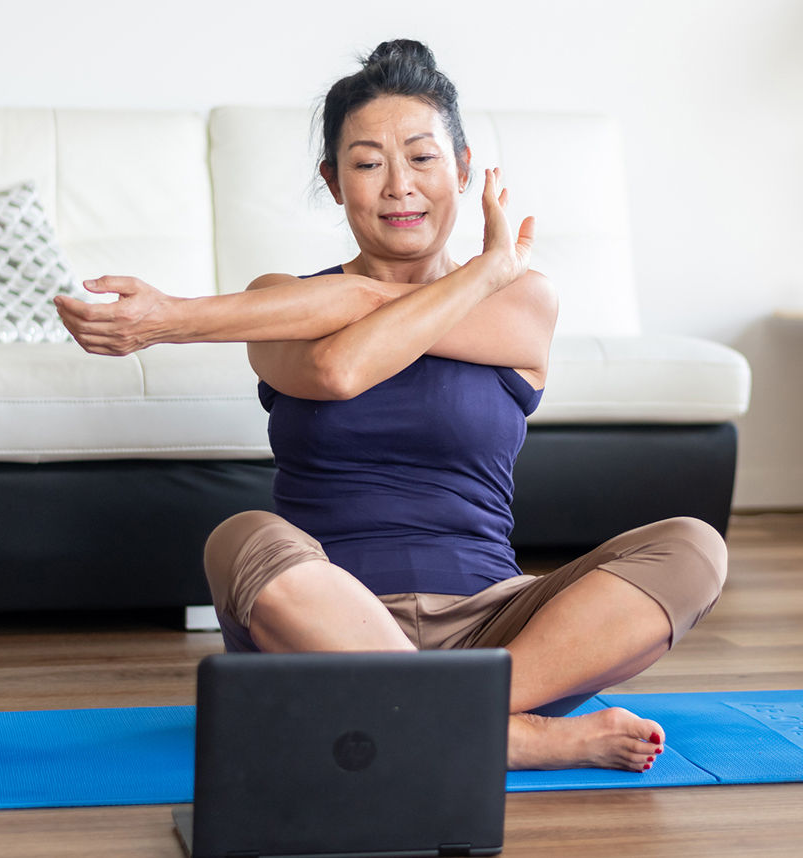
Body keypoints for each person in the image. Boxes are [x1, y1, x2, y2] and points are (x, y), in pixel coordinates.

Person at [55, 39, 726, 773]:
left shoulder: (524, 297)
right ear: (334, 182)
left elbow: (356, 330)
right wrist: (482, 270)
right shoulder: (277, 296)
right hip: (320, 620)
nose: (398, 186)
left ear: (464, 170)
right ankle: (502, 736)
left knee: (694, 547)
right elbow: (341, 369)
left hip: (494, 633)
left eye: (423, 158)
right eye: (368, 163)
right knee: (241, 537)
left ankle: (432, 715)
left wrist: (178, 317)